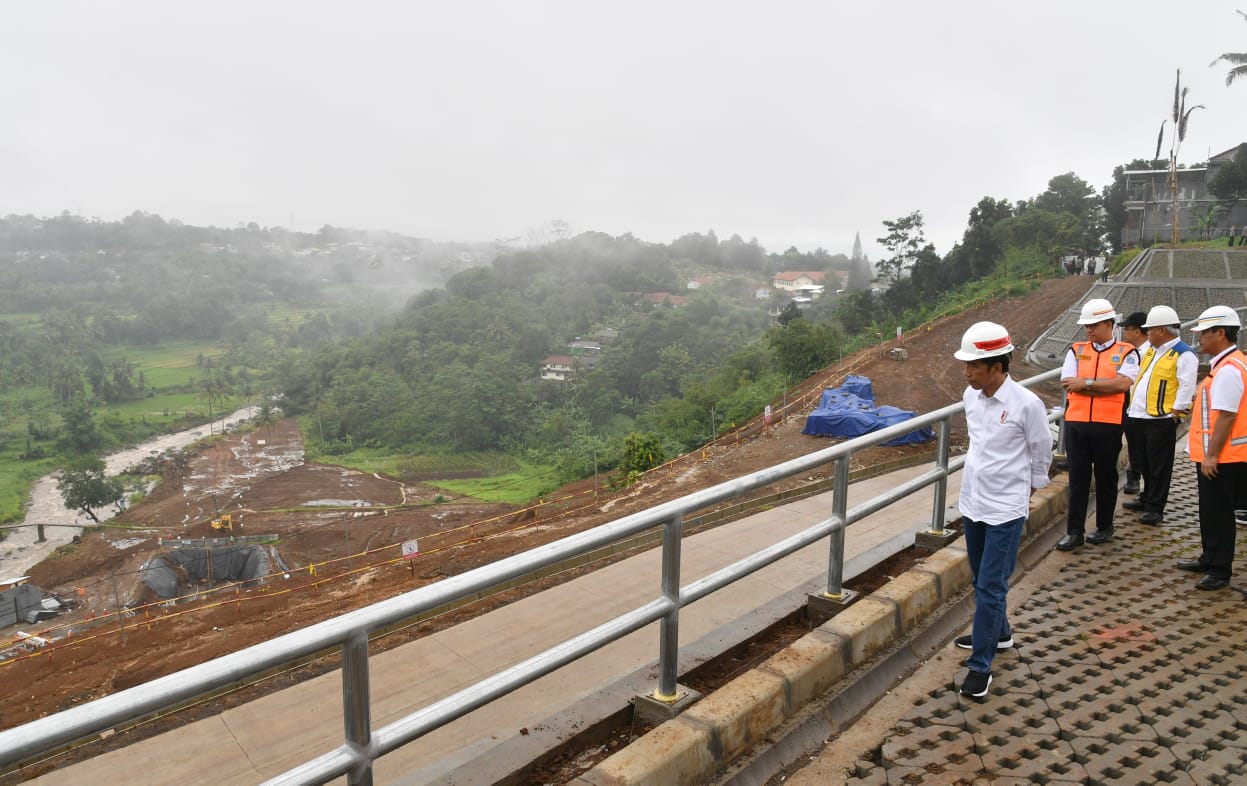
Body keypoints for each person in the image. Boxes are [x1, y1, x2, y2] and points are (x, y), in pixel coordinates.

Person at [952, 322, 1052, 699]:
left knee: (992, 586)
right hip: (974, 501)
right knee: (981, 579)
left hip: (1006, 509)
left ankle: (981, 665)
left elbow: (1041, 452)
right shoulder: (970, 397)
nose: (967, 373)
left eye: (973, 366)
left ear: (997, 366)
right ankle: (1000, 633)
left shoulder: (1027, 404)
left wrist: (1029, 489)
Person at [1056, 298, 1140, 550]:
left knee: (1105, 477)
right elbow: (1068, 382)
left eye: (1093, 325)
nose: (1088, 331)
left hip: (1108, 424)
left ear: (1108, 324)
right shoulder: (1076, 350)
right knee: (1078, 479)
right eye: (1086, 326)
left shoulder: (1127, 352)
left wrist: (1087, 385)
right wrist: (1101, 385)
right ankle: (1074, 531)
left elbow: (1123, 384)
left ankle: (1104, 526)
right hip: (1077, 423)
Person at [1176, 306, 1247, 590]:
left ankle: (1219, 570)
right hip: (1220, 455)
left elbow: (1226, 415)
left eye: (1204, 333)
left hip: (1224, 456)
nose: (1200, 339)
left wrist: (1212, 455)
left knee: (1219, 513)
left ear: (1221, 333)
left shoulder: (1229, 370)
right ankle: (1209, 557)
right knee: (1209, 510)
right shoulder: (1228, 364)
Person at [1121, 305, 1196, 524]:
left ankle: (1155, 507)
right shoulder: (1151, 351)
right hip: (1138, 415)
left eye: (1150, 330)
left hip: (1160, 419)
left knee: (1159, 465)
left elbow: (1186, 387)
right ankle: (1146, 497)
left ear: (1161, 330)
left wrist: (1176, 415)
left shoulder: (1183, 354)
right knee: (1141, 461)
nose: (1148, 334)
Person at [1117, 312, 1150, 496]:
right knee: (1132, 440)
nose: (1124, 333)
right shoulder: (1135, 351)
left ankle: (1135, 478)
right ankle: (1134, 478)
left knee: (1136, 441)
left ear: (1137, 331)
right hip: (1128, 399)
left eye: (1127, 329)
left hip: (1137, 401)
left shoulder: (1146, 353)